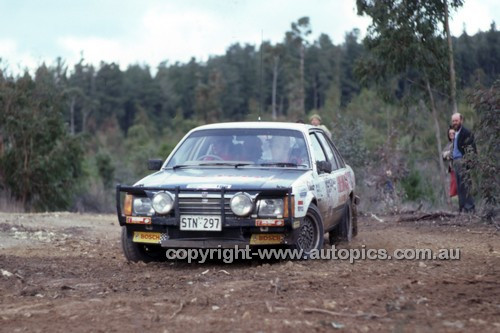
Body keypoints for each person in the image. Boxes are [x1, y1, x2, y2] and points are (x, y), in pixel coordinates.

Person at [451, 113, 476, 213]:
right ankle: (462, 208)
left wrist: (469, 161)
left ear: (461, 120)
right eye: (453, 121)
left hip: (463, 161)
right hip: (456, 162)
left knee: (466, 185)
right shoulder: (454, 133)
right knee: (459, 186)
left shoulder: (466, 132)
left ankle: (470, 207)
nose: (454, 123)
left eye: (456, 120)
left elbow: (472, 148)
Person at [442, 126, 457, 198]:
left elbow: (453, 155)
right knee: (452, 187)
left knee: (456, 187)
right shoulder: (448, 144)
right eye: (450, 133)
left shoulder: (458, 143)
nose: (451, 134)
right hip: (451, 169)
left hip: (458, 168)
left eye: (453, 133)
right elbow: (443, 155)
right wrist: (447, 155)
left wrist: (448, 155)